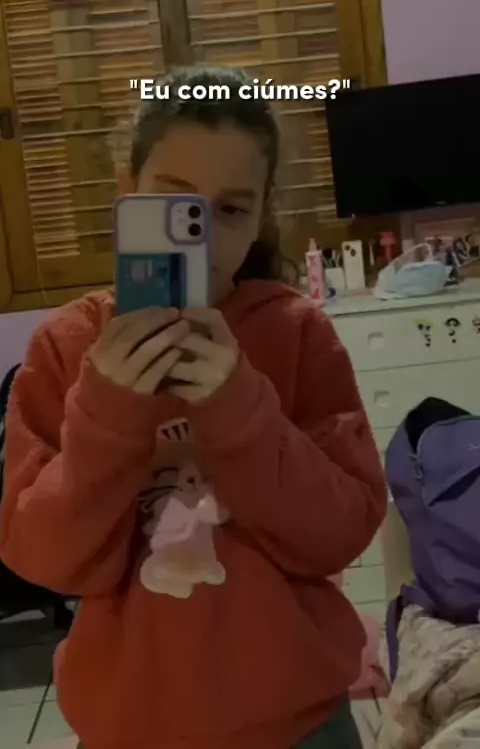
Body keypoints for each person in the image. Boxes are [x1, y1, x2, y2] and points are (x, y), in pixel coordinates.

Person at [0, 66, 387, 749]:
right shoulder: (66, 347)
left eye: (230, 210)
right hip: (129, 727)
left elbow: (341, 533)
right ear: (128, 193)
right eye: (175, 204)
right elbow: (44, 560)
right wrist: (108, 413)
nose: (201, 236)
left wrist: (238, 406)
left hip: (300, 723)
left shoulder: (297, 333)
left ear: (262, 214)